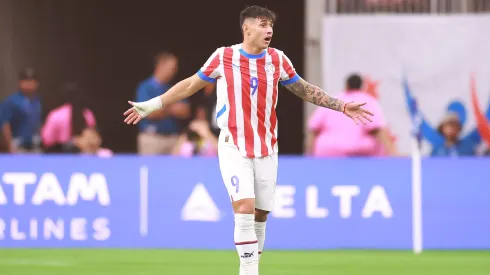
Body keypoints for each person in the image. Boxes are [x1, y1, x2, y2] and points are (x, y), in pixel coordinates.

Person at [123, 6, 373, 275]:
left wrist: (341, 106)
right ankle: (249, 271)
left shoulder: (277, 60)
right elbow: (189, 85)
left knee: (261, 214)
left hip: (267, 148)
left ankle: (252, 266)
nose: (269, 31)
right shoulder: (224, 57)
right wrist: (153, 104)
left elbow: (304, 89)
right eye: (264, 25)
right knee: (244, 206)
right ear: (247, 28)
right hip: (234, 145)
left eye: (272, 26)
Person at [307, 73, 397, 157]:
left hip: (327, 151)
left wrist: (308, 156)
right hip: (356, 153)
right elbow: (379, 130)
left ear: (346, 86)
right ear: (361, 86)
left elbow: (313, 128)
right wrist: (394, 154)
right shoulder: (368, 101)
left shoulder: (331, 100)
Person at [135, 52, 191, 155]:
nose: (174, 71)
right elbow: (147, 113)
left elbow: (185, 111)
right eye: (172, 67)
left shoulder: (173, 88)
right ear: (160, 66)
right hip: (152, 138)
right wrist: (170, 107)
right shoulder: (146, 87)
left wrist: (160, 108)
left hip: (173, 139)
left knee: (173, 170)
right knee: (151, 169)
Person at [0, 68, 42, 153]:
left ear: (36, 84)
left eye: (31, 81)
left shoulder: (37, 101)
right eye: (25, 81)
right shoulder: (11, 101)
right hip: (19, 144)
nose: (28, 84)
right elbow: (5, 124)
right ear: (20, 83)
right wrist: (10, 145)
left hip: (35, 144)